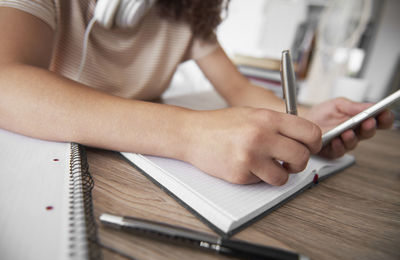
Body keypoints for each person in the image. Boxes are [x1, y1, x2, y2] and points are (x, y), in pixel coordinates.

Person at [0, 0, 393, 186]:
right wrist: (191, 134)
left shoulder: (185, 13)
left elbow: (238, 89)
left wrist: (304, 117)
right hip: (54, 169)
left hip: (135, 172)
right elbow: (7, 79)